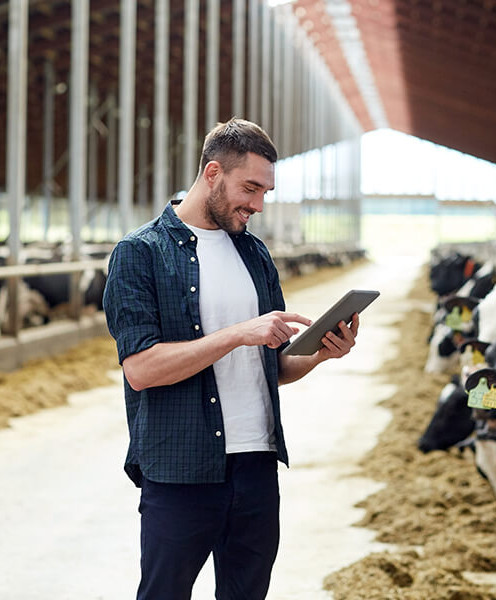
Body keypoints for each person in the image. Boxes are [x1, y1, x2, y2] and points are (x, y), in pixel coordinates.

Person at [102, 118, 361, 600]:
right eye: (251, 188)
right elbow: (141, 370)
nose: (258, 204)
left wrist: (322, 354)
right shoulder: (140, 253)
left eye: (266, 191)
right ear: (213, 172)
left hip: (256, 466)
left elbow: (274, 367)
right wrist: (238, 333)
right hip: (180, 470)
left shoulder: (255, 254)